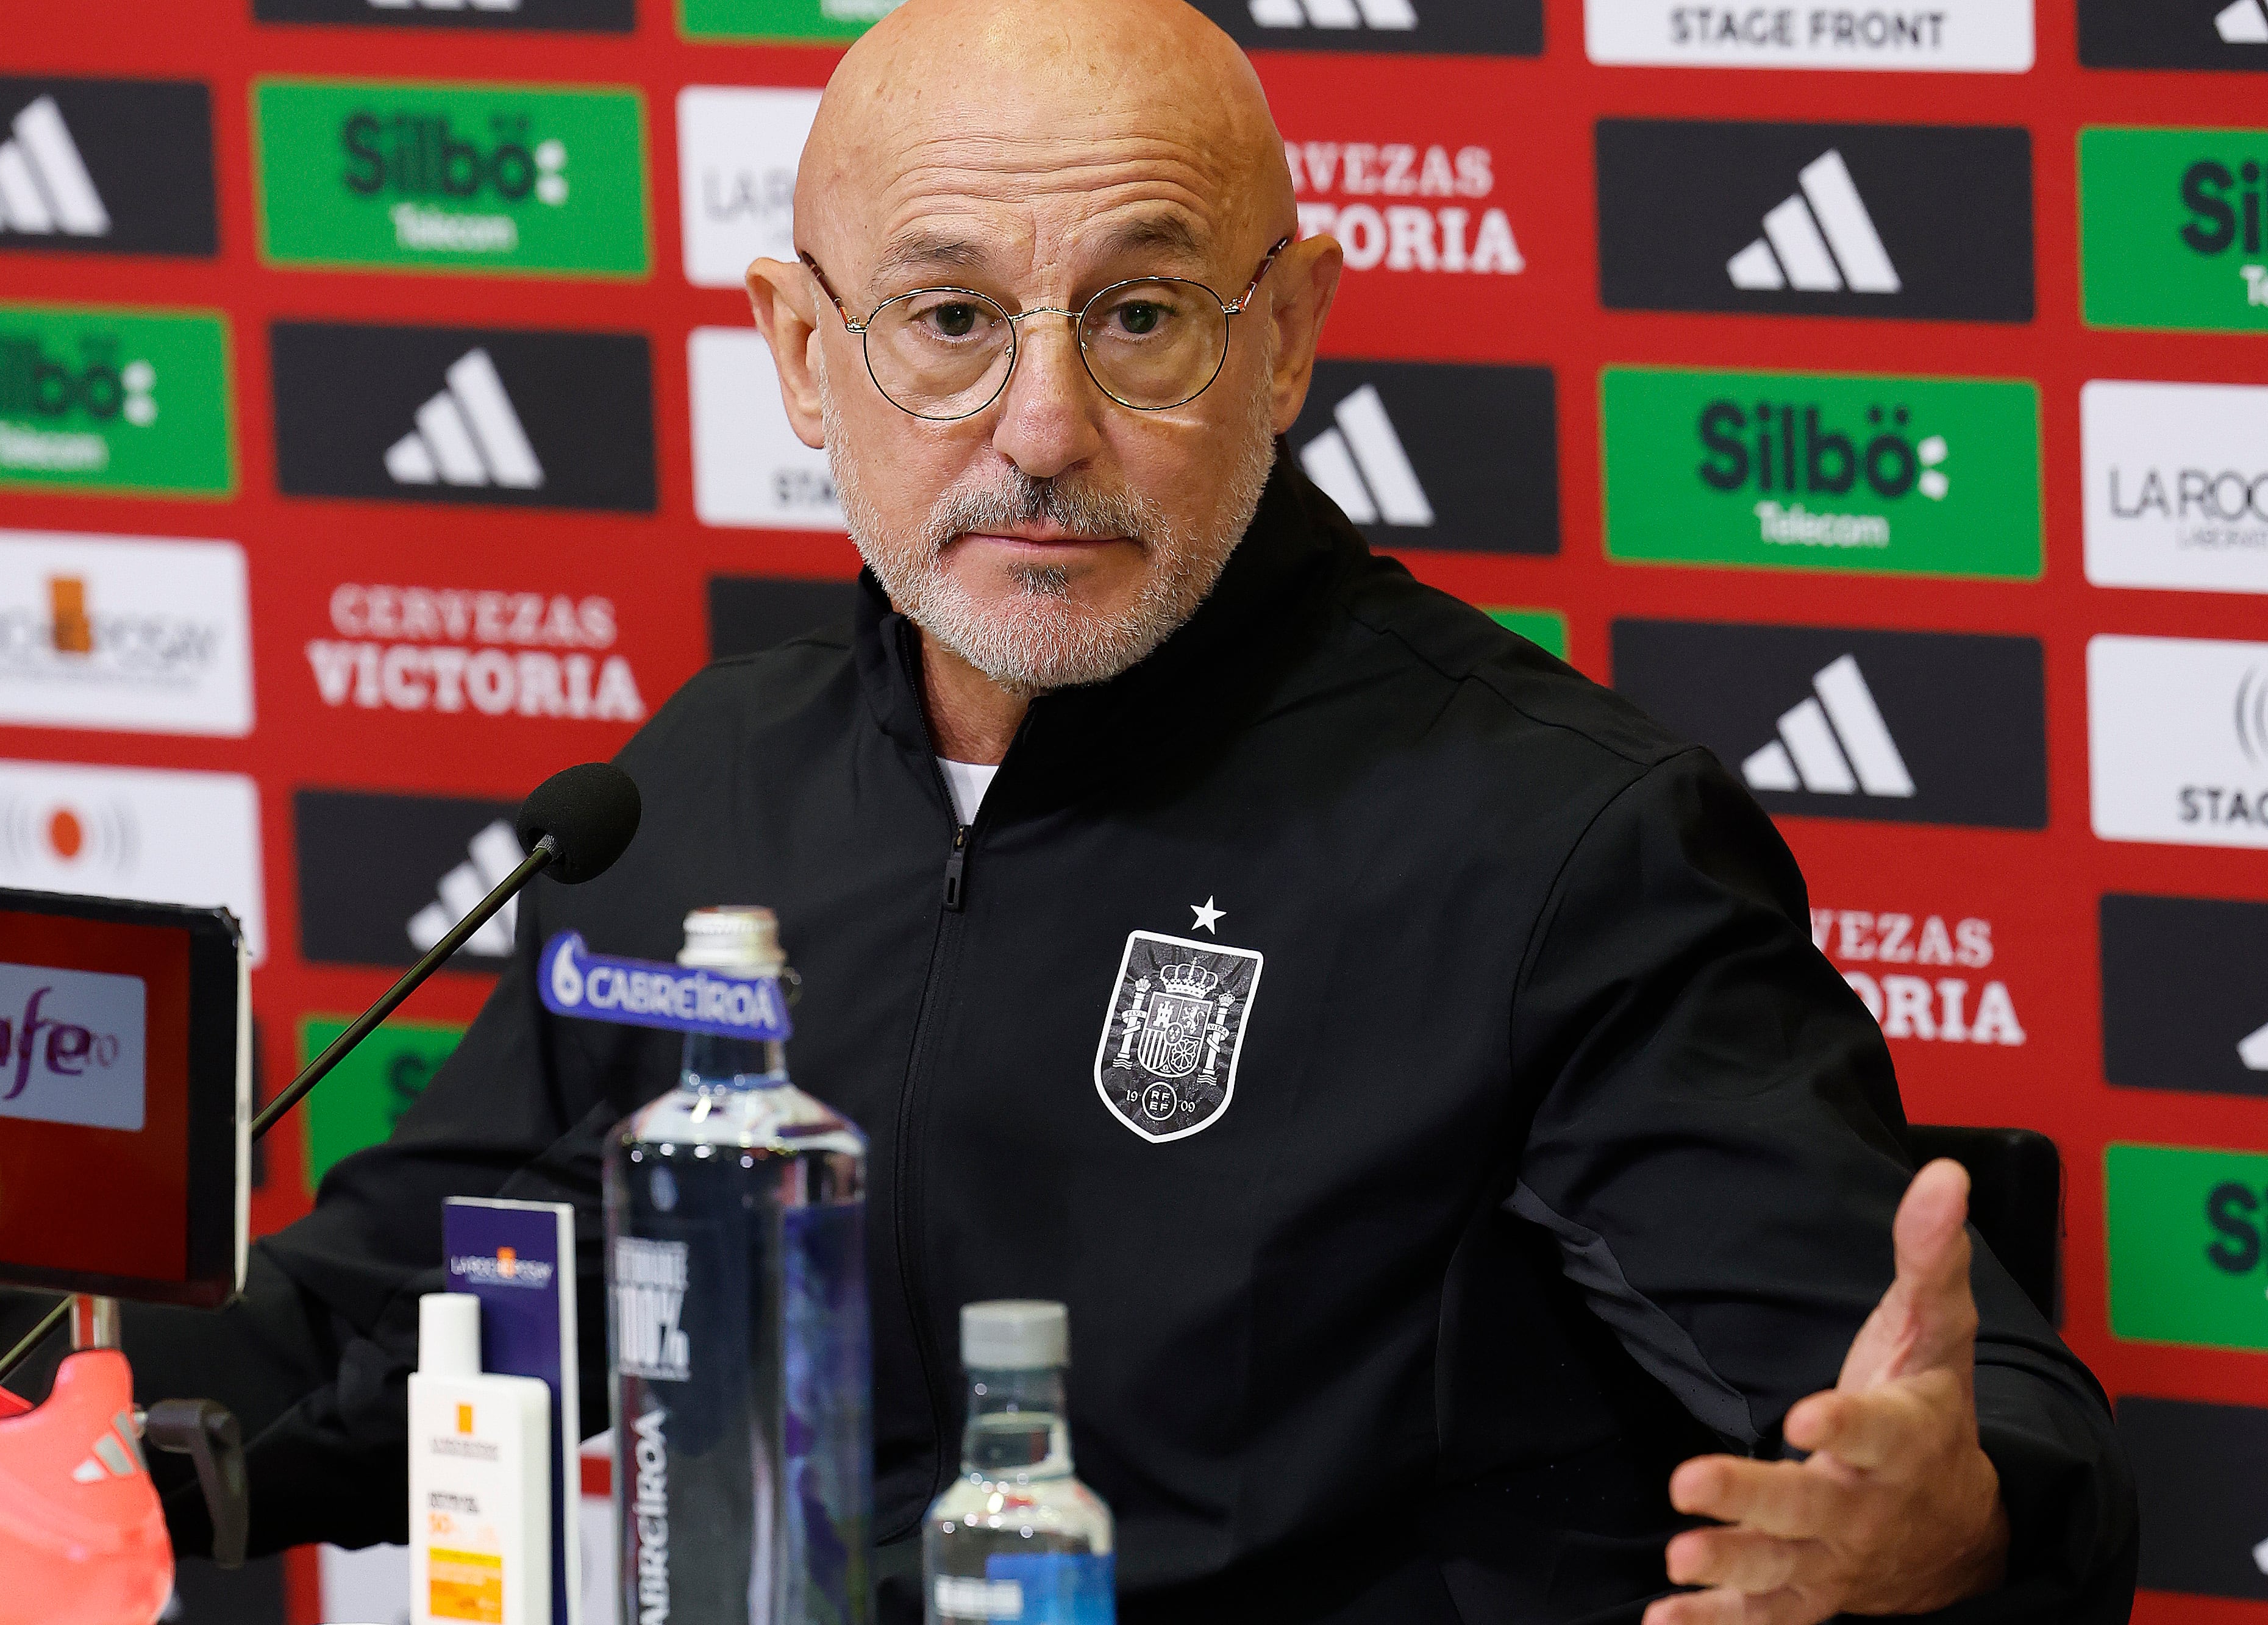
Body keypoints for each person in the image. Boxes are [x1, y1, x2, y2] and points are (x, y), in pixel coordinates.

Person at [124, 0, 2138, 1618]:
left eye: (1142, 312)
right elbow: (406, 1314)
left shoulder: (1559, 846)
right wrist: (20, 1418)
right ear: (802, 354)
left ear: (1288, 339)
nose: (1043, 426)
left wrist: (1957, 1522)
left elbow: (1953, 1425)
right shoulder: (693, 788)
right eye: (948, 318)